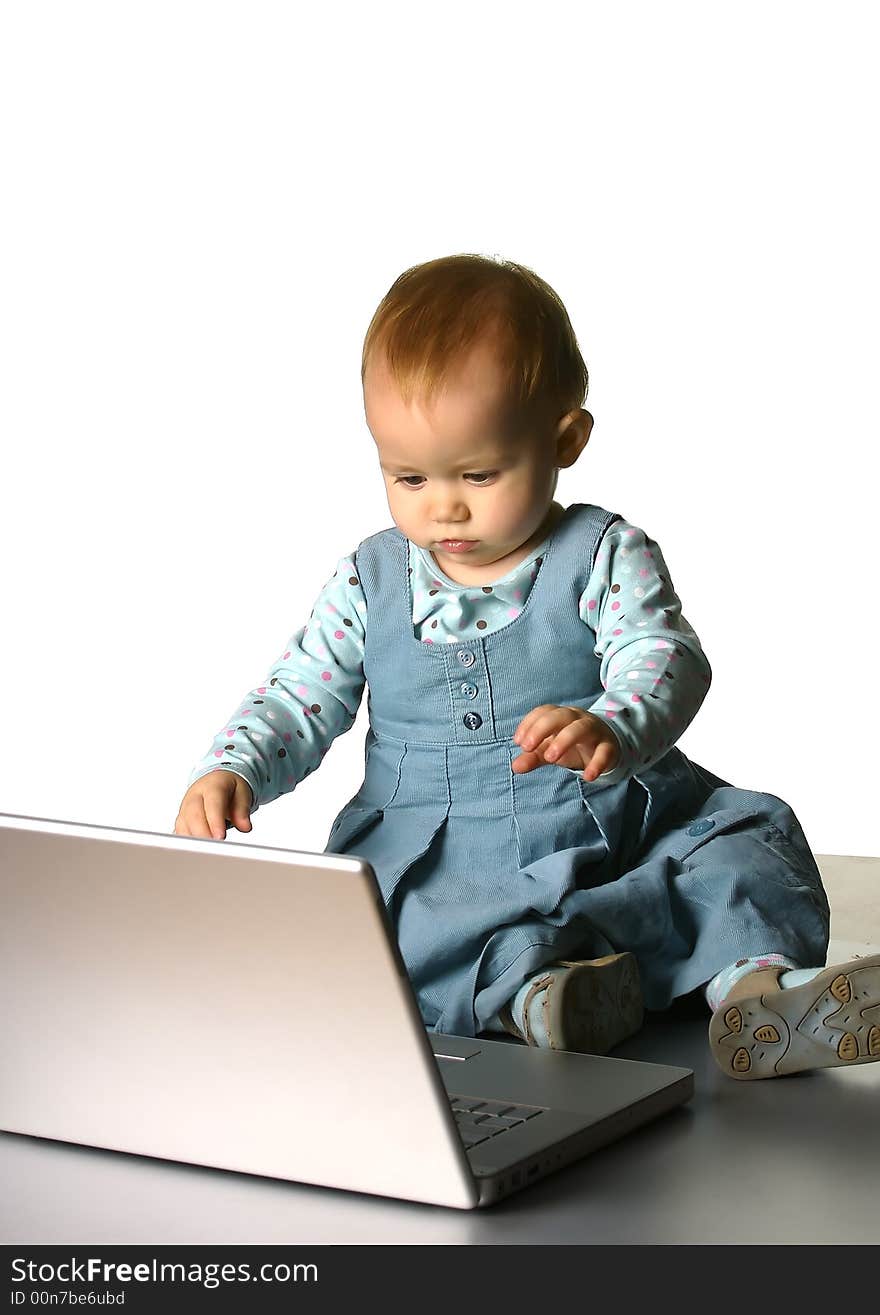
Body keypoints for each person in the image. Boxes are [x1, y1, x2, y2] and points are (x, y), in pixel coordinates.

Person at [174, 253, 880, 1081]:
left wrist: (613, 720)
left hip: (614, 819)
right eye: (408, 476)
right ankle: (544, 998)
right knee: (411, 929)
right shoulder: (369, 580)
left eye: (479, 473)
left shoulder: (602, 552)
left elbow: (665, 655)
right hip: (447, 853)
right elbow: (301, 692)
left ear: (565, 438)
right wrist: (234, 767)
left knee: (737, 848)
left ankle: (759, 989)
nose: (444, 506)